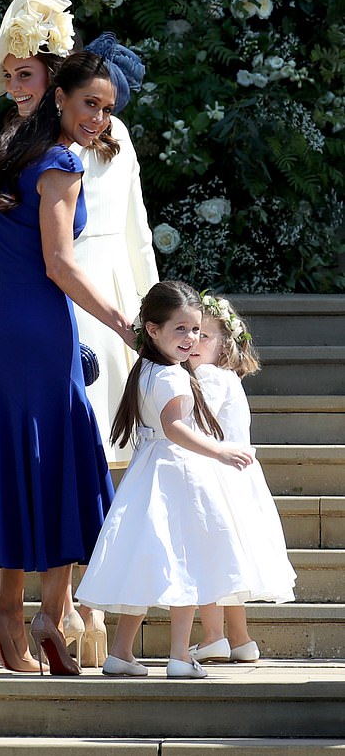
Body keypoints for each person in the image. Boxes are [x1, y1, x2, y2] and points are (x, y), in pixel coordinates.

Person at [0, 0, 158, 667]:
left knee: (24, 458)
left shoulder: (12, 147)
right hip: (47, 317)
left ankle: (21, 613)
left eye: (107, 107)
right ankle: (41, 617)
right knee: (62, 461)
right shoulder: (56, 159)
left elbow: (34, 247)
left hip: (12, 320)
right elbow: (59, 262)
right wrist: (127, 325)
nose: (99, 116)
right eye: (90, 103)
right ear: (63, 95)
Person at [75, 280, 271, 679]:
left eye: (196, 329)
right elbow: (175, 426)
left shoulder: (146, 367)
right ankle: (181, 655)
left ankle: (121, 653)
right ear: (152, 329)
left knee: (145, 560)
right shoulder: (174, 376)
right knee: (185, 561)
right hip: (179, 471)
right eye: (180, 329)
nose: (191, 338)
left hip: (148, 471)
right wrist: (219, 449)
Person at [187, 293, 296, 663]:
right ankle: (241, 638)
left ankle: (214, 636)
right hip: (236, 479)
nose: (195, 341)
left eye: (206, 336)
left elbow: (195, 424)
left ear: (224, 346)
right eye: (193, 332)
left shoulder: (208, 376)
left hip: (217, 478)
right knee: (229, 562)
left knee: (210, 558)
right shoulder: (226, 377)